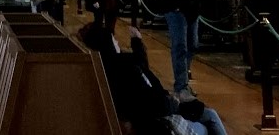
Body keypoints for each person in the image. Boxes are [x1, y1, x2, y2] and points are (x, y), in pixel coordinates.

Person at [80, 23, 228, 135]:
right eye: (114, 40)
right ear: (108, 45)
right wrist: (177, 103)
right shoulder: (125, 67)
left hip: (146, 118)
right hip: (156, 124)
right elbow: (152, 100)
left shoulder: (105, 68)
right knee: (209, 119)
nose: (118, 43)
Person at [163, 0, 202, 99]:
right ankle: (181, 85)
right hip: (178, 12)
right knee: (180, 47)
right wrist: (177, 6)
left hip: (192, 12)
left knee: (192, 45)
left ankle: (183, 81)